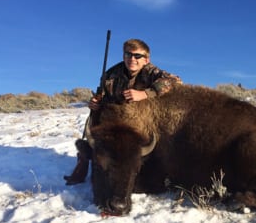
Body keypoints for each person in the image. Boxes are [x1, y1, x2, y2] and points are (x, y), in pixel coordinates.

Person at [64, 38, 182, 185]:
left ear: (146, 59)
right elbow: (102, 95)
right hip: (116, 118)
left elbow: (175, 81)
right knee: (95, 116)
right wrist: (95, 102)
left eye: (137, 56)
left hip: (144, 121)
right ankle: (85, 160)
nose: (132, 59)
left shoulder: (152, 72)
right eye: (128, 55)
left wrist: (146, 94)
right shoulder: (111, 74)